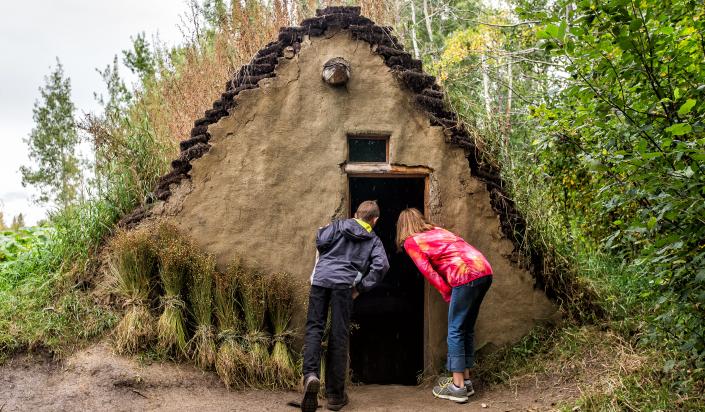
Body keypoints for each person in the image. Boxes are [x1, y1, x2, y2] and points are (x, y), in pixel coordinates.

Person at [396, 208, 492, 404]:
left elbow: (428, 271)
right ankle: (466, 381)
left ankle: (457, 388)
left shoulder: (411, 241)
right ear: (420, 220)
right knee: (466, 328)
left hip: (465, 275)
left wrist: (447, 293)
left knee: (455, 330)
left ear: (402, 227)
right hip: (484, 270)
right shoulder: (438, 231)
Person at [301, 200, 389, 412]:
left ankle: (311, 376)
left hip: (321, 280)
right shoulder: (373, 240)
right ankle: (335, 396)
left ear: (356, 214)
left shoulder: (338, 225)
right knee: (338, 335)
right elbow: (382, 265)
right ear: (375, 220)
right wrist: (360, 287)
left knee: (314, 328)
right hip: (344, 286)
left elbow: (320, 240)